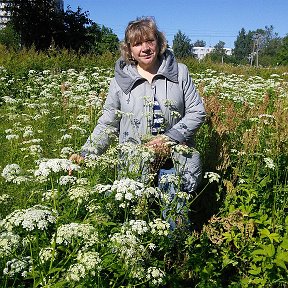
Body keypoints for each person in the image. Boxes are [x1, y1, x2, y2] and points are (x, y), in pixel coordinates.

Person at [70, 17, 206, 219]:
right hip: (136, 165)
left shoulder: (180, 72)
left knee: (175, 223)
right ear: (129, 50)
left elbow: (197, 111)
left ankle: (175, 251)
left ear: (159, 42)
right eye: (137, 44)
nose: (145, 48)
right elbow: (108, 122)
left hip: (175, 163)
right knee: (137, 221)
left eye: (150, 41)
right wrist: (86, 153)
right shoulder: (120, 81)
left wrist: (168, 139)